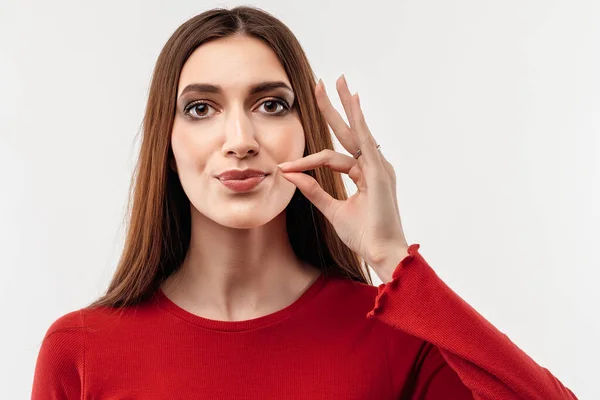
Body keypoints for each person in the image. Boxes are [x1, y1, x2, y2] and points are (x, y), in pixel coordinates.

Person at [31, 6, 578, 399]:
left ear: (306, 132)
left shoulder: (393, 339)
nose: (240, 137)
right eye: (201, 109)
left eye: (271, 104)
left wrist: (392, 258)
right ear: (167, 145)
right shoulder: (80, 350)